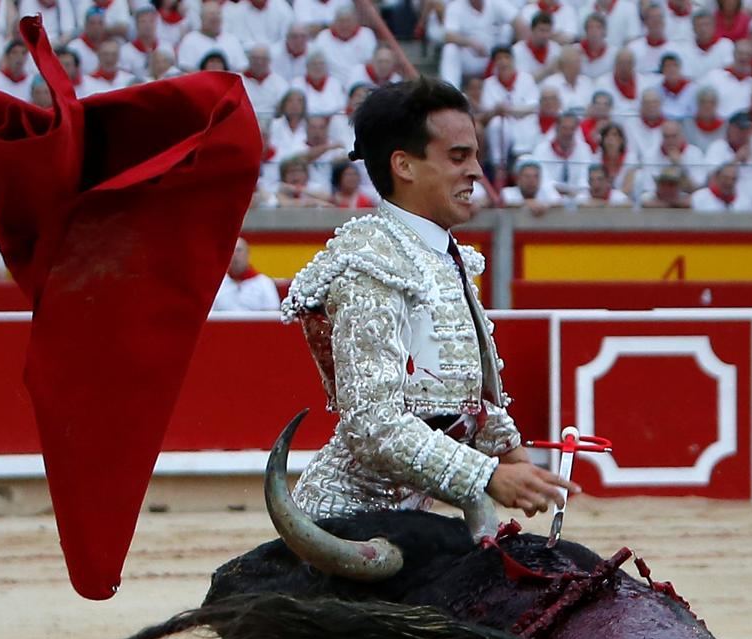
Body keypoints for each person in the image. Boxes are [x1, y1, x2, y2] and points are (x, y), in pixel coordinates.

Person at [281, 78, 576, 521]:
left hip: (405, 517)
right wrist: (486, 477)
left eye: (475, 155)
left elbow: (462, 399)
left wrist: (509, 454)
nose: (477, 171)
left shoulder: (440, 253)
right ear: (404, 166)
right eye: (458, 157)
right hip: (344, 525)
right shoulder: (370, 263)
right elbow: (374, 425)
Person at [211, 238, 280, 311]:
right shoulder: (217, 283)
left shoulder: (264, 283)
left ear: (248, 254)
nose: (235, 255)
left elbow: (272, 313)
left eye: (239, 250)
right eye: (231, 251)